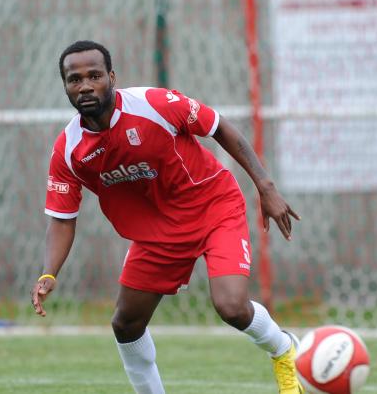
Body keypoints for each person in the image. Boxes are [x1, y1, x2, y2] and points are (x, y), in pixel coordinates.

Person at [31, 40, 304, 393]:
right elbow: (62, 217)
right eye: (74, 79)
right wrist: (49, 272)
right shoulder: (68, 150)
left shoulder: (154, 105)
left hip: (213, 207)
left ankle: (284, 350)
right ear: (65, 85)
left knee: (232, 306)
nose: (85, 86)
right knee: (126, 324)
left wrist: (265, 186)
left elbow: (219, 127)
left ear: (111, 77)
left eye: (94, 76)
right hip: (157, 235)